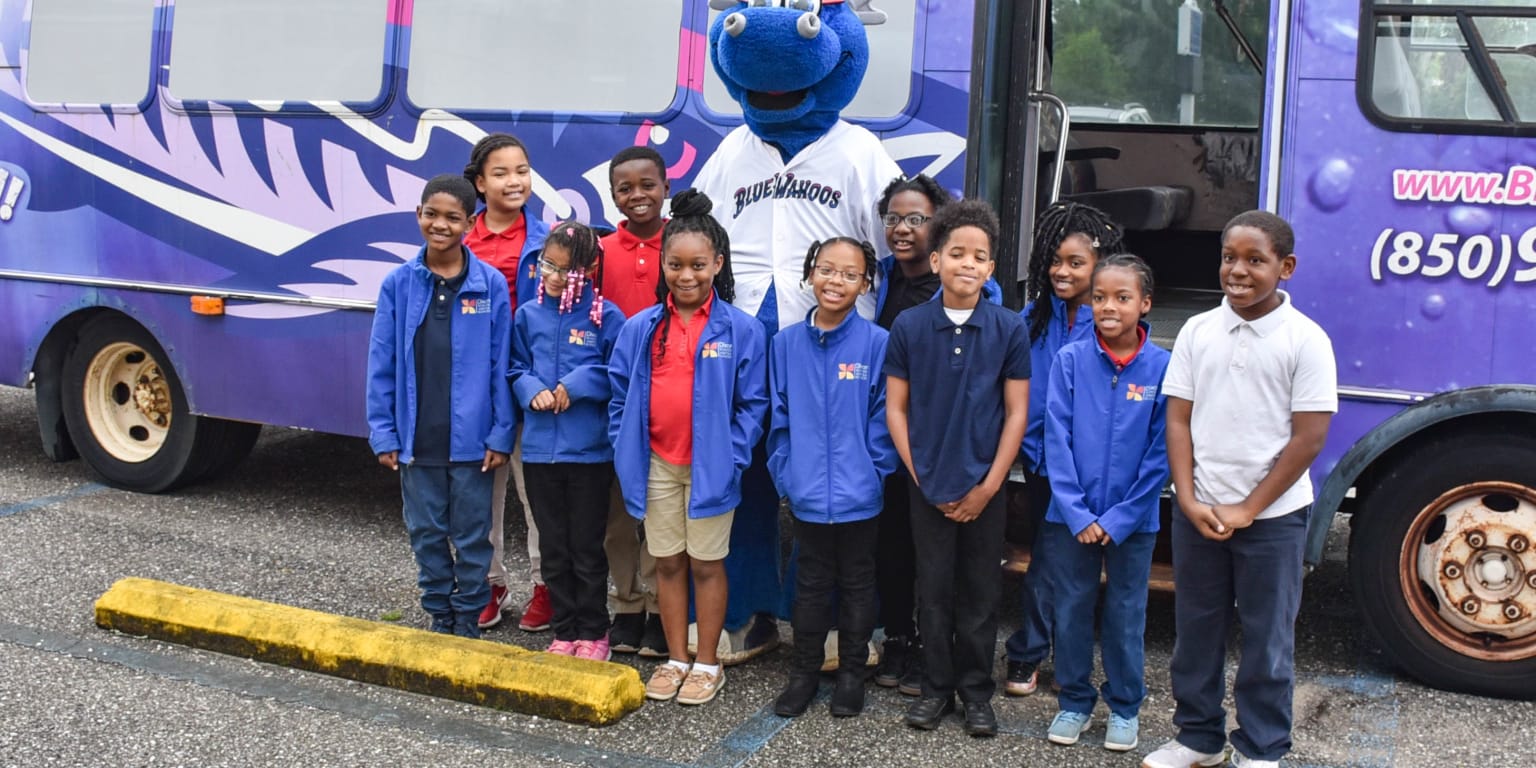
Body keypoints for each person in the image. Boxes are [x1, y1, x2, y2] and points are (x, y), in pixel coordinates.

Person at [1143, 211, 1336, 768]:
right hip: (1200, 509)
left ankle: (1261, 747)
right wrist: (1187, 496)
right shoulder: (1199, 332)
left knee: (1267, 639)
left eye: (1256, 260)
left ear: (1286, 267)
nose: (1239, 270)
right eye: (1230, 257)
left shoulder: (1307, 341)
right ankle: (1197, 738)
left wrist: (1251, 508)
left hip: (1272, 517)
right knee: (1196, 631)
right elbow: (1177, 420)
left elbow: (1309, 437)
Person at [608, 189, 768, 706]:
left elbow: (753, 405)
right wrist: (625, 447)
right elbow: (619, 397)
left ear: (717, 263)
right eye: (675, 264)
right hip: (656, 465)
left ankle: (707, 661)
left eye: (699, 265)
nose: (687, 275)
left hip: (711, 472)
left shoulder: (740, 330)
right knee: (668, 562)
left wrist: (731, 457)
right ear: (663, 264)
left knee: (706, 563)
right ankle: (677, 657)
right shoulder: (641, 329)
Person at [885, 200, 1030, 737]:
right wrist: (919, 475)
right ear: (938, 258)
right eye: (957, 253)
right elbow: (895, 408)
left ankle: (976, 693)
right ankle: (935, 688)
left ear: (991, 268)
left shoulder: (1009, 328)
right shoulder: (909, 325)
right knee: (933, 590)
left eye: (980, 256)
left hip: (983, 491)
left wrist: (988, 487)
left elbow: (1017, 413)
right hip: (927, 486)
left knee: (980, 595)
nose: (967, 264)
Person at [366, 174, 515, 639]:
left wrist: (500, 434)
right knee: (426, 533)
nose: (440, 225)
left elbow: (501, 364)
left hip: (473, 443)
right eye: (432, 214)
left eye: (453, 217)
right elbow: (381, 362)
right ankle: (439, 614)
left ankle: (468, 619)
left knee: (473, 537)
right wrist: (384, 432)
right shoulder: (398, 284)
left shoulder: (490, 284)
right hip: (417, 441)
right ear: (418, 215)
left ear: (471, 223)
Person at [1037, 254, 1168, 752]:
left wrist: (1120, 517)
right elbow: (1057, 437)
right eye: (1099, 297)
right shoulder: (1070, 360)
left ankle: (1125, 708)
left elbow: (1161, 454)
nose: (1108, 307)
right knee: (1070, 609)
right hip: (1070, 519)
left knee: (1126, 613)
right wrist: (1077, 512)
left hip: (1133, 522)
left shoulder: (1161, 367)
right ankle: (1073, 701)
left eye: (1122, 297)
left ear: (1145, 304)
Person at [768, 237, 896, 719]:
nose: (835, 281)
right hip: (805, 495)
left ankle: (851, 675)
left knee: (860, 583)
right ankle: (803, 674)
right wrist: (788, 475)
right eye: (826, 270)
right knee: (810, 583)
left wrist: (873, 472)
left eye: (849, 274)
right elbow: (777, 418)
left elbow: (885, 418)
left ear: (865, 283)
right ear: (810, 274)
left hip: (860, 495)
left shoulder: (877, 343)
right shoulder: (784, 344)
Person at [1004, 201, 1125, 697]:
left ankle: (1028, 653)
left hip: (1089, 466)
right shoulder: (1030, 318)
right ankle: (1051, 654)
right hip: (1041, 463)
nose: (1061, 271)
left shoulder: (1109, 320)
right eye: (1054, 260)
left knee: (1058, 560)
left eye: (1075, 263)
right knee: (1051, 557)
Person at [511, 221, 627, 661]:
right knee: (553, 546)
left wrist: (577, 384)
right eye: (548, 267)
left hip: (589, 454)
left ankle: (595, 632)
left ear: (591, 268)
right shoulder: (528, 315)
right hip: (541, 452)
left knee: (586, 545)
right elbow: (513, 367)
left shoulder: (606, 316)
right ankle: (564, 630)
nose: (556, 277)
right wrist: (529, 389)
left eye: (567, 270)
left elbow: (618, 373)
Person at [461, 133, 553, 633]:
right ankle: (487, 583)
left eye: (522, 169)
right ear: (480, 183)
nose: (514, 180)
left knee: (534, 491)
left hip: (528, 383)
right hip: (475, 389)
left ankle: (545, 586)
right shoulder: (460, 240)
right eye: (500, 173)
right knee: (479, 492)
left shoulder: (546, 241)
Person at [869, 173, 950, 694]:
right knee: (891, 547)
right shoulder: (878, 279)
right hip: (884, 441)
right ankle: (897, 638)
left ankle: (930, 647)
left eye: (915, 219)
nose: (902, 230)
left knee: (932, 555)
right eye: (894, 219)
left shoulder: (955, 288)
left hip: (934, 443)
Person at [600, 146, 670, 657]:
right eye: (625, 188)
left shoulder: (685, 243)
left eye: (647, 184)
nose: (637, 195)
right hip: (619, 400)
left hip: (669, 399)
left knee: (663, 514)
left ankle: (659, 607)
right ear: (613, 195)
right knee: (620, 514)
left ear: (665, 187)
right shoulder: (601, 251)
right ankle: (626, 604)